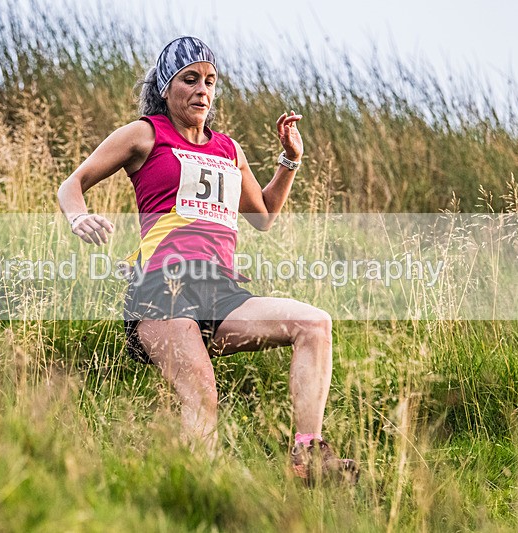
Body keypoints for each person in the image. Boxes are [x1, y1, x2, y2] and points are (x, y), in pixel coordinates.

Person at [58, 36, 358, 485]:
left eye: (210, 81)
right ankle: (200, 492)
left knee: (314, 324)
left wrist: (289, 161)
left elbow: (263, 216)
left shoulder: (228, 149)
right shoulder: (145, 134)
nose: (202, 90)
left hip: (220, 292)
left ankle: (307, 457)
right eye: (190, 79)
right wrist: (79, 217)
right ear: (166, 87)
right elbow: (73, 184)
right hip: (162, 291)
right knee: (201, 393)